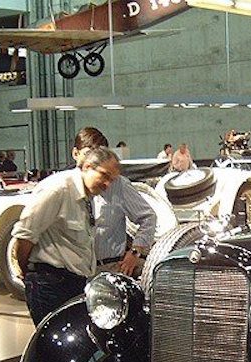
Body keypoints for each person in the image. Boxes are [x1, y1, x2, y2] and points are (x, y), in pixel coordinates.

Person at [12, 146, 121, 326]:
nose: (107, 184)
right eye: (105, 176)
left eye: (112, 180)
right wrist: (27, 274)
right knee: (54, 349)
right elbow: (24, 235)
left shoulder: (87, 196)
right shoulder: (58, 189)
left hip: (74, 284)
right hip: (50, 285)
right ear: (87, 167)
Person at [70, 127, 156, 278]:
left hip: (109, 269)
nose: (94, 161)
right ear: (75, 154)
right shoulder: (64, 186)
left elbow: (148, 217)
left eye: (99, 154)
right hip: (75, 272)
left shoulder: (118, 185)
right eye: (89, 154)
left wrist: (135, 253)